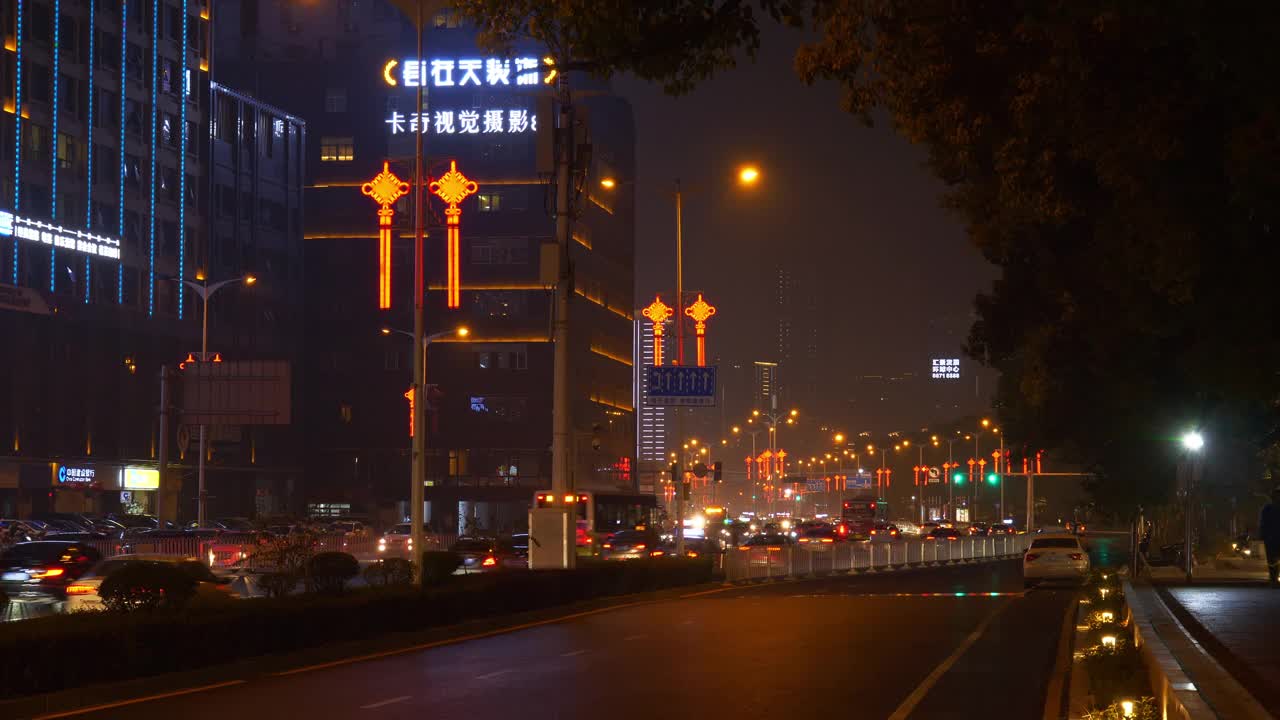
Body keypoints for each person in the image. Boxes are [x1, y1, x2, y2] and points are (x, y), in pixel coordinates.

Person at [1260, 487, 1280, 587]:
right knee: (1272, 560)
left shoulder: (1267, 508)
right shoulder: (1267, 508)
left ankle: (1273, 579)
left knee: (1272, 560)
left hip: (1271, 538)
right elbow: (1263, 524)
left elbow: (1263, 524)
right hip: (1271, 538)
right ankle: (1273, 578)